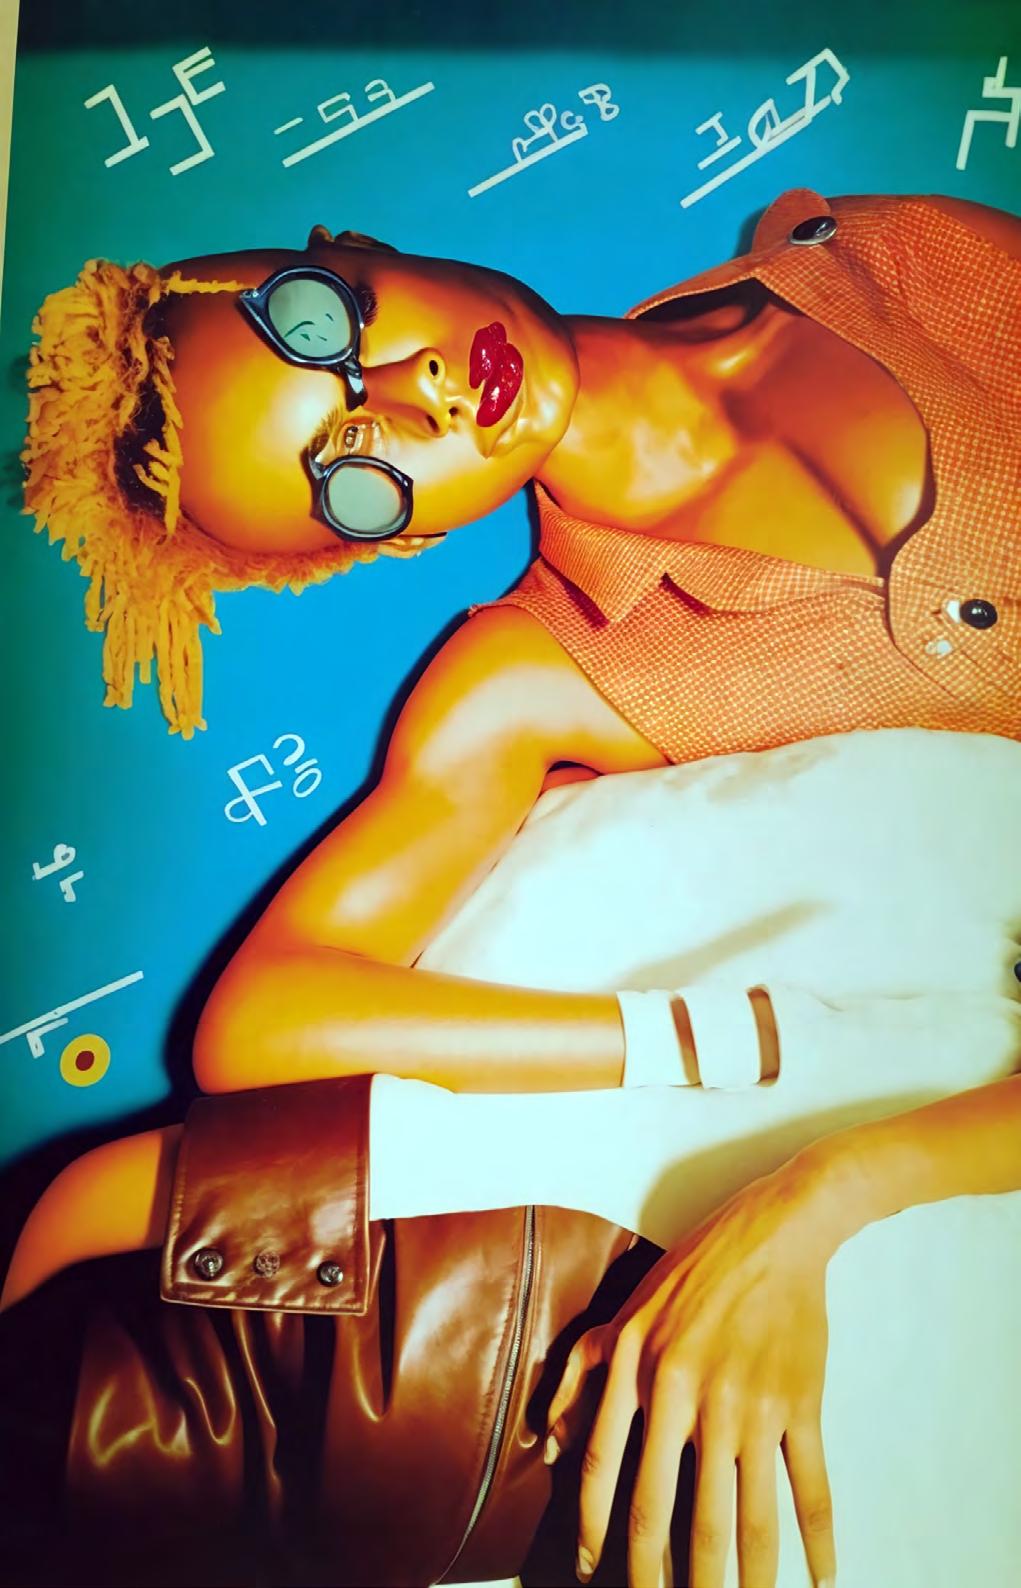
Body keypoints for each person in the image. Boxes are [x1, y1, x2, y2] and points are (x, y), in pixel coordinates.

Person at [10, 187, 1021, 1587]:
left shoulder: (906, 256)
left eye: (322, 328)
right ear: (405, 537)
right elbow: (261, 1023)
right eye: (355, 479)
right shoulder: (531, 676)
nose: (411, 402)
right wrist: (719, 1044)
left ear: (354, 250)